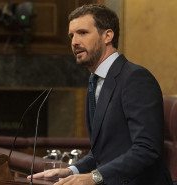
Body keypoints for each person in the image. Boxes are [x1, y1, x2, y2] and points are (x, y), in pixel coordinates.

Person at [28, 4, 173, 185]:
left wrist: (93, 177)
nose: (74, 42)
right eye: (71, 36)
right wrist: (70, 171)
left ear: (108, 36)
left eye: (82, 33)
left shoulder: (135, 78)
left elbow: (147, 149)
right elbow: (102, 154)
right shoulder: (94, 81)